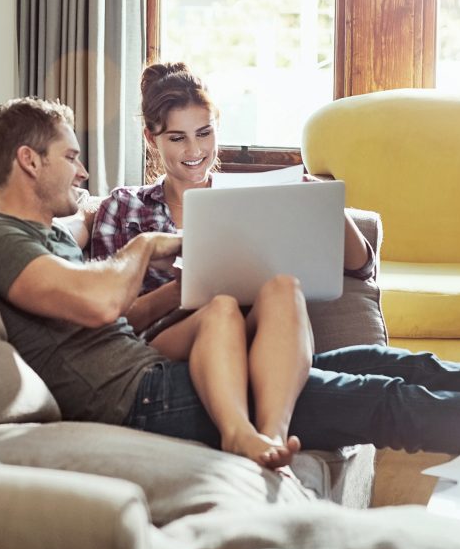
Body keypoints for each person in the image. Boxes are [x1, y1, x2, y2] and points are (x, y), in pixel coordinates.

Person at [0, 95, 460, 469]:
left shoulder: (47, 235)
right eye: (70, 158)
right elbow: (101, 299)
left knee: (402, 362)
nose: (80, 172)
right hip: (151, 398)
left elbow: (117, 320)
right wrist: (147, 242)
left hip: (167, 368)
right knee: (392, 402)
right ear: (27, 160)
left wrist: (192, 281)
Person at [86, 62, 376, 468]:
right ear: (152, 139)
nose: (194, 151)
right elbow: (106, 321)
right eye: (177, 138)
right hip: (163, 341)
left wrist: (317, 197)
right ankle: (238, 434)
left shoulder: (250, 197)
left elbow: (361, 266)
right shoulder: (124, 207)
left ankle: (272, 437)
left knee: (284, 288)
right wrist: (179, 291)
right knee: (219, 306)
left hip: (247, 333)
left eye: (204, 133)